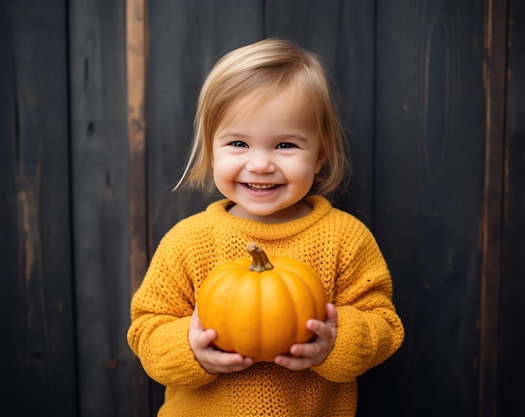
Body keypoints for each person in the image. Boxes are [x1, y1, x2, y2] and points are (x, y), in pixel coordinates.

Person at [127, 38, 404, 417]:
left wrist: (336, 342)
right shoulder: (188, 241)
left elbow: (384, 324)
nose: (260, 165)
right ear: (211, 149)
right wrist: (190, 349)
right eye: (238, 143)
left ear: (319, 153)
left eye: (285, 145)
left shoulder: (345, 238)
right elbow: (146, 329)